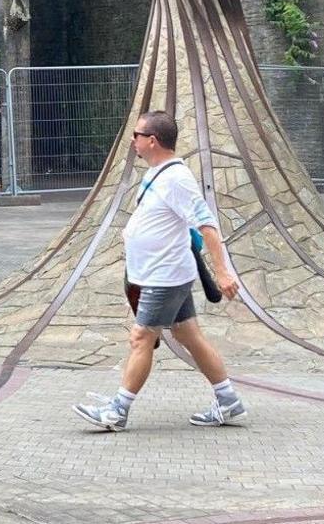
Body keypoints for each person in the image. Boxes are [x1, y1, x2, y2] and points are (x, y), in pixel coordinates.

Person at [72, 109, 247, 430]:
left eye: (136, 136)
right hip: (161, 273)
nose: (133, 141)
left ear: (152, 141)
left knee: (141, 338)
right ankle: (229, 401)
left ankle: (117, 411)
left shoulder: (177, 179)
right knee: (189, 336)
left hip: (164, 277)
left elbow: (206, 224)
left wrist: (223, 272)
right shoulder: (156, 173)